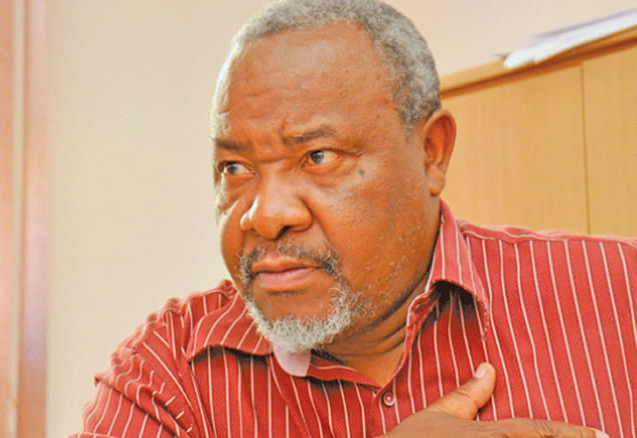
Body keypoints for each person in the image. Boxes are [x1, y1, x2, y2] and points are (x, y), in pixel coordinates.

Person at [71, 0, 636, 437]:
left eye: (319, 157)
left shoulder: (620, 295)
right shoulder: (169, 372)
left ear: (432, 153)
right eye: (235, 168)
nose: (265, 215)